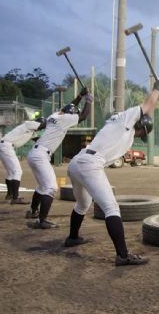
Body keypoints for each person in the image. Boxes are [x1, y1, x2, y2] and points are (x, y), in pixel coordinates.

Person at [63, 78, 159, 266]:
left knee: (83, 204)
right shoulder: (126, 119)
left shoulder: (123, 129)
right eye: (142, 133)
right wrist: (158, 88)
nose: (140, 136)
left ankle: (72, 238)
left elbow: (149, 110)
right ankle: (123, 255)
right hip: (90, 164)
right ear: (140, 127)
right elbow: (148, 104)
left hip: (77, 163)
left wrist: (157, 99)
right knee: (111, 208)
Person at [25, 88, 92, 229]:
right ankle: (41, 221)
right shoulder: (65, 119)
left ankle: (32, 211)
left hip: (35, 153)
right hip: (41, 155)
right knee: (50, 187)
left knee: (42, 186)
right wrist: (89, 100)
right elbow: (84, 116)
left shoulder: (55, 115)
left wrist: (80, 95)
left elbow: (69, 106)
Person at [0, 117, 47, 204]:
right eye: (41, 127)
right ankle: (15, 198)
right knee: (17, 171)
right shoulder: (30, 124)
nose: (41, 129)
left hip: (4, 145)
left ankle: (10, 195)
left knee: (11, 172)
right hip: (6, 146)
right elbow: (43, 125)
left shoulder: (32, 131)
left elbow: (36, 139)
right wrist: (54, 123)